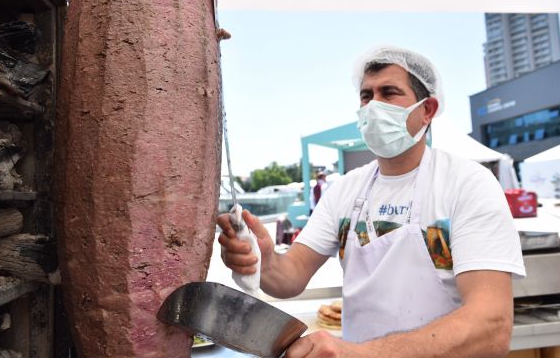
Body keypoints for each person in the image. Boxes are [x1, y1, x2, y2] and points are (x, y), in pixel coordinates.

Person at [217, 46, 525, 358]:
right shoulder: (346, 189)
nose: (373, 106)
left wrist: (360, 354)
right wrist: (264, 259)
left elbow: (491, 328)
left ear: (427, 109)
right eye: (366, 96)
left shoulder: (466, 184)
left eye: (389, 93)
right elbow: (289, 277)